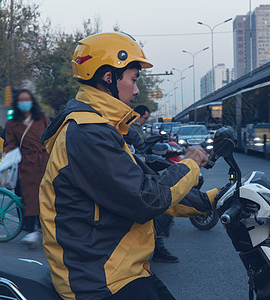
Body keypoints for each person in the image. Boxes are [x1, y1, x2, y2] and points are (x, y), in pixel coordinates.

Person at [39, 32, 218, 300]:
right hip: (98, 277)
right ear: (108, 77)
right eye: (133, 79)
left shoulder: (101, 128)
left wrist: (213, 200)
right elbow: (146, 198)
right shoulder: (87, 133)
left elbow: (144, 187)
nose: (136, 91)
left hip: (118, 268)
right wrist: (191, 164)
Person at [125, 106, 179, 263]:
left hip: (135, 175)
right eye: (133, 80)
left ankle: (157, 247)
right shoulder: (122, 130)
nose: (136, 91)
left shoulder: (130, 130)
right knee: (157, 203)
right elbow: (140, 156)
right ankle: (157, 249)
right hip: (131, 179)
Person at [3, 88, 50, 246]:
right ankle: (31, 229)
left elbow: (51, 135)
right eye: (21, 100)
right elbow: (10, 143)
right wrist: (6, 155)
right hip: (26, 162)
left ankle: (43, 227)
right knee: (29, 195)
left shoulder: (42, 118)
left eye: (27, 99)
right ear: (17, 103)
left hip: (44, 160)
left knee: (47, 194)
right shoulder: (12, 123)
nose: (24, 103)